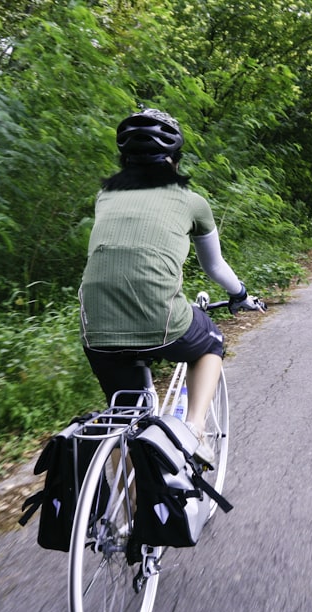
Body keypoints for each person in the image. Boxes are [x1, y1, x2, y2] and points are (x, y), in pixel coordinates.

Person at [78, 108, 264, 463]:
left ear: (124, 159)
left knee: (126, 420)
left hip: (95, 325)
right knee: (212, 341)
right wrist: (239, 294)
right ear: (175, 160)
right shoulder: (192, 202)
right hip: (161, 319)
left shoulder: (105, 197)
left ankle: (121, 512)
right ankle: (194, 431)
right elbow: (214, 266)